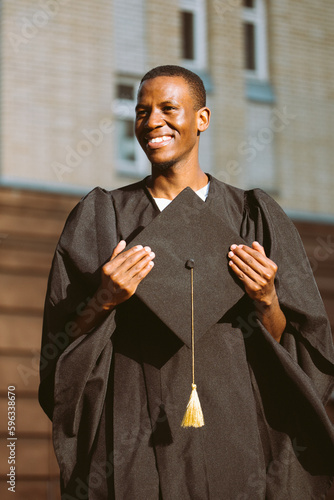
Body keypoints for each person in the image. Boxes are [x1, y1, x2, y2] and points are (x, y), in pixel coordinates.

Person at [39, 65, 334, 499]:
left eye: (168, 108)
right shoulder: (104, 217)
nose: (152, 122)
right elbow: (62, 345)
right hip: (135, 431)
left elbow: (291, 348)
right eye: (142, 112)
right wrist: (104, 298)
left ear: (202, 118)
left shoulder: (251, 215)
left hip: (233, 429)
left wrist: (267, 299)